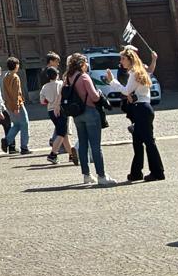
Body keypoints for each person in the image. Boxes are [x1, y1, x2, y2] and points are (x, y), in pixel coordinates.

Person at [103, 46, 164, 183]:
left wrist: (112, 81)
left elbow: (126, 90)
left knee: (148, 141)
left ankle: (157, 172)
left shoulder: (135, 73)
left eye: (123, 59)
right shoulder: (139, 71)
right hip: (142, 107)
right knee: (137, 142)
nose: (121, 61)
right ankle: (136, 172)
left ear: (130, 60)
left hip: (141, 109)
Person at [62, 53, 116, 187]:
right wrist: (100, 93)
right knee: (96, 146)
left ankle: (86, 175)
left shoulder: (68, 77)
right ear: (81, 64)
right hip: (90, 112)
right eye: (85, 62)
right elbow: (94, 97)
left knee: (83, 145)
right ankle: (101, 176)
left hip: (77, 114)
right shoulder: (84, 77)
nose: (87, 65)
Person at [39, 65, 78, 166]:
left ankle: (71, 155)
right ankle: (53, 154)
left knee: (64, 134)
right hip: (61, 110)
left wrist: (50, 100)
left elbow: (42, 101)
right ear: (57, 74)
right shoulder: (61, 83)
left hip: (51, 111)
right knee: (61, 133)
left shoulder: (44, 87)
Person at [2, 58, 30, 154]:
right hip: (17, 105)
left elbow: (5, 92)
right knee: (25, 124)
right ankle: (24, 147)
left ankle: (7, 140)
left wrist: (9, 104)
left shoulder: (6, 77)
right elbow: (16, 93)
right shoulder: (15, 77)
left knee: (17, 125)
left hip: (9, 104)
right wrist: (17, 106)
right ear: (16, 66)